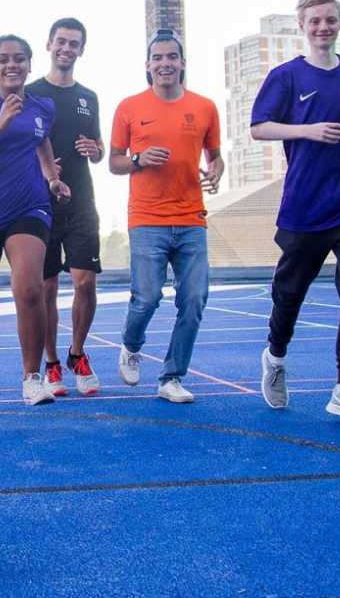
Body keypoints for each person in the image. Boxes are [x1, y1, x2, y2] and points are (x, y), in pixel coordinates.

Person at [251, 0, 340, 420]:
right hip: (305, 206)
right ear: (303, 26)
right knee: (289, 297)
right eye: (315, 21)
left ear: (339, 23)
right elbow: (259, 128)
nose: (323, 27)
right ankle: (275, 357)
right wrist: (306, 131)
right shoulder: (286, 76)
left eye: (330, 20)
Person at [0, 35, 71, 408]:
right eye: (3, 59)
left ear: (29, 64)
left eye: (19, 59)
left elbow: (42, 140)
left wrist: (51, 177)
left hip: (28, 207)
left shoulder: (43, 107)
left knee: (30, 289)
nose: (11, 65)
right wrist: (0, 122)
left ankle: (31, 378)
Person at [109, 28, 223, 403]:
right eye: (157, 58)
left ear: (183, 63)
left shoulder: (205, 107)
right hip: (146, 218)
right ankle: (130, 344)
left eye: (171, 57)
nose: (165, 64)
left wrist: (218, 170)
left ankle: (171, 377)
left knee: (194, 300)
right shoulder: (129, 107)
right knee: (146, 297)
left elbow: (215, 156)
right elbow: (115, 163)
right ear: (148, 65)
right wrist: (139, 159)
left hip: (192, 218)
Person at [27, 18, 103, 398]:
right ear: (49, 44)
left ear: (81, 50)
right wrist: (40, 167)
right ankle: (52, 363)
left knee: (85, 281)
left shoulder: (89, 96)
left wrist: (97, 150)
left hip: (82, 202)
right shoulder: (28, 93)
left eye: (74, 43)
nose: (66, 48)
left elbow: (100, 147)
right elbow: (14, 145)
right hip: (39, 203)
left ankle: (77, 353)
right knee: (47, 288)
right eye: (61, 41)